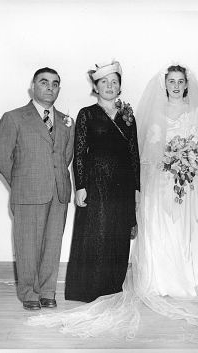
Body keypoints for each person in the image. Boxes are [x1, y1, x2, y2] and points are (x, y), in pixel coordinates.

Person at [27, 63, 198, 342]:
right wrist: (157, 171)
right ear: (165, 84)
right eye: (171, 81)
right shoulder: (150, 112)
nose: (175, 86)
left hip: (185, 183)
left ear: (186, 84)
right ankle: (158, 280)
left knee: (183, 229)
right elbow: (144, 151)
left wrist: (191, 171)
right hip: (160, 182)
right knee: (158, 228)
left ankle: (184, 281)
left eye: (179, 81)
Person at [0, 67, 75, 310]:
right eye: (44, 82)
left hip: (58, 192)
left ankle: (48, 291)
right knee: (27, 244)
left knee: (52, 244)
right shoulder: (14, 117)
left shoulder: (66, 121)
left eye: (55, 84)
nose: (50, 88)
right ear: (33, 87)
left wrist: (53, 176)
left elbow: (65, 156)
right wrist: (20, 180)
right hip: (27, 192)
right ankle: (29, 293)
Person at [64, 60, 140, 302]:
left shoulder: (128, 116)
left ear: (119, 88)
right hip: (95, 185)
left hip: (123, 186)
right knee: (95, 234)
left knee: (117, 234)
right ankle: (88, 290)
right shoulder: (87, 114)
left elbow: (134, 154)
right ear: (96, 87)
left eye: (114, 82)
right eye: (104, 82)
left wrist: (137, 188)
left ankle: (112, 289)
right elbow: (79, 151)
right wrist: (80, 186)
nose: (110, 86)